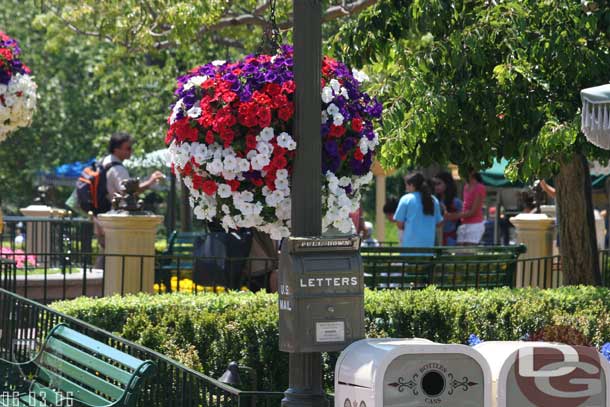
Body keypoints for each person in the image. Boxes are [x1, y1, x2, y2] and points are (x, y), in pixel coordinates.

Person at [94, 132, 165, 268]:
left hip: (103, 217)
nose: (131, 151)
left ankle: (97, 286)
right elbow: (128, 191)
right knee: (116, 261)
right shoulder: (117, 168)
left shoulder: (105, 162)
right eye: (128, 148)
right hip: (116, 220)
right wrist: (150, 182)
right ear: (116, 149)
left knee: (107, 258)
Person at [393, 173, 443, 250]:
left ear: (412, 185)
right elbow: (439, 223)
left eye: (407, 185)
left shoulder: (406, 199)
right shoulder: (433, 200)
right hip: (428, 247)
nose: (406, 188)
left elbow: (399, 224)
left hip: (410, 248)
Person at [456, 169, 487, 245]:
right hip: (464, 224)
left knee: (469, 254)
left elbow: (473, 211)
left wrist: (452, 216)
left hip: (475, 224)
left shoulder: (480, 187)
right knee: (459, 254)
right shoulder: (466, 186)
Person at [433, 171, 462, 245]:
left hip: (451, 239)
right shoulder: (434, 201)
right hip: (434, 238)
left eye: (439, 184)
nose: (436, 187)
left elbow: (461, 221)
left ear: (447, 184)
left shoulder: (456, 202)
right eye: (434, 184)